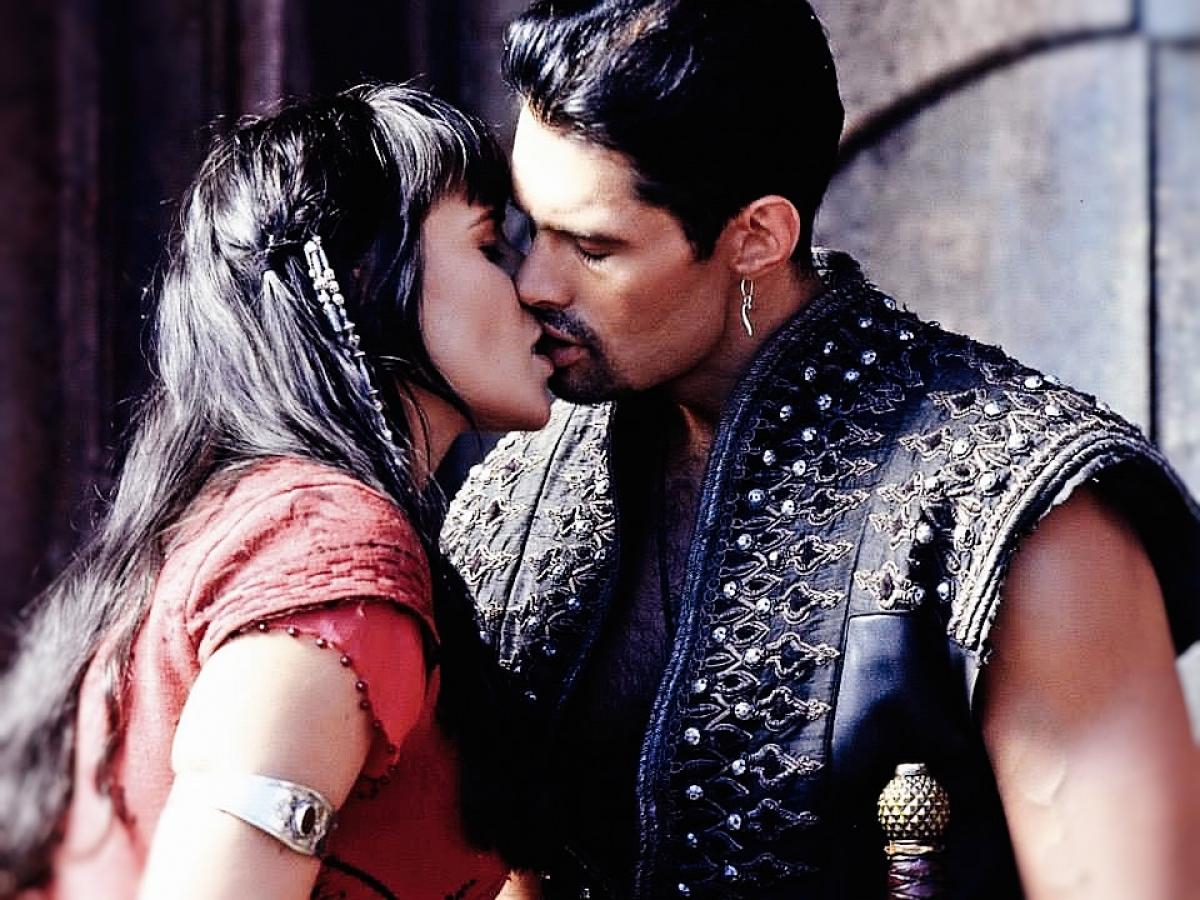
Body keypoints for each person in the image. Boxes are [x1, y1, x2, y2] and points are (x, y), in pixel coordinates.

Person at [441, 2, 1200, 898]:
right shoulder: (519, 487)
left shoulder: (1020, 506)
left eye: (593, 248)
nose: (534, 284)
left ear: (757, 237)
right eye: (527, 230)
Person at [0, 84, 553, 899]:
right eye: (490, 244)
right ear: (363, 277)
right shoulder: (326, 546)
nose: (537, 286)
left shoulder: (250, 517)